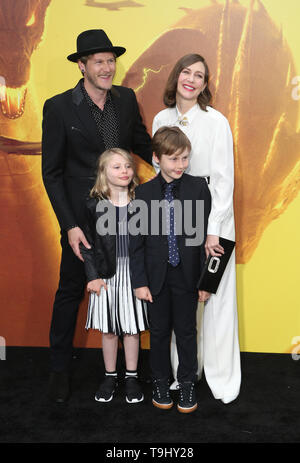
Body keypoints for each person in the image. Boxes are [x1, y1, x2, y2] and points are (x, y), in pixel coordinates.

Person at [42, 29, 152, 403]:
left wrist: (170, 163)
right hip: (82, 223)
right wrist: (69, 225)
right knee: (71, 290)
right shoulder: (58, 107)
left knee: (130, 285)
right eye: (99, 61)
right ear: (82, 65)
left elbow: (141, 143)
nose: (107, 68)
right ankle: (58, 371)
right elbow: (52, 173)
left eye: (111, 60)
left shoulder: (126, 99)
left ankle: (133, 372)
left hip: (125, 215)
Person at [152, 53, 241, 404]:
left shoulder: (216, 121)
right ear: (175, 77)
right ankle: (183, 372)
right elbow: (160, 167)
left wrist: (214, 229)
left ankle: (221, 378)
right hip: (176, 215)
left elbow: (223, 179)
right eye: (186, 72)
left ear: (205, 85)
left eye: (199, 75)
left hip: (214, 217)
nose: (191, 79)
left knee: (214, 296)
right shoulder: (161, 118)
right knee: (180, 296)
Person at [129, 126, 211, 413]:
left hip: (188, 276)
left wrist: (205, 281)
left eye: (185, 158)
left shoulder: (198, 188)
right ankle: (161, 382)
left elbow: (204, 238)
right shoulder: (143, 193)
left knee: (187, 331)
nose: (181, 165)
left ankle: (187, 382)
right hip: (155, 278)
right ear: (157, 158)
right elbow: (136, 244)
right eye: (174, 159)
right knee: (160, 332)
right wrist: (139, 281)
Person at [80, 148, 148, 403]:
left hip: (134, 275)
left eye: (128, 166)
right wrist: (92, 276)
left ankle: (131, 377)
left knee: (131, 329)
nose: (124, 171)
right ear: (103, 172)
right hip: (106, 276)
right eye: (116, 167)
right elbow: (87, 246)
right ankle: (110, 375)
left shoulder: (141, 203)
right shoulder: (93, 205)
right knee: (109, 330)